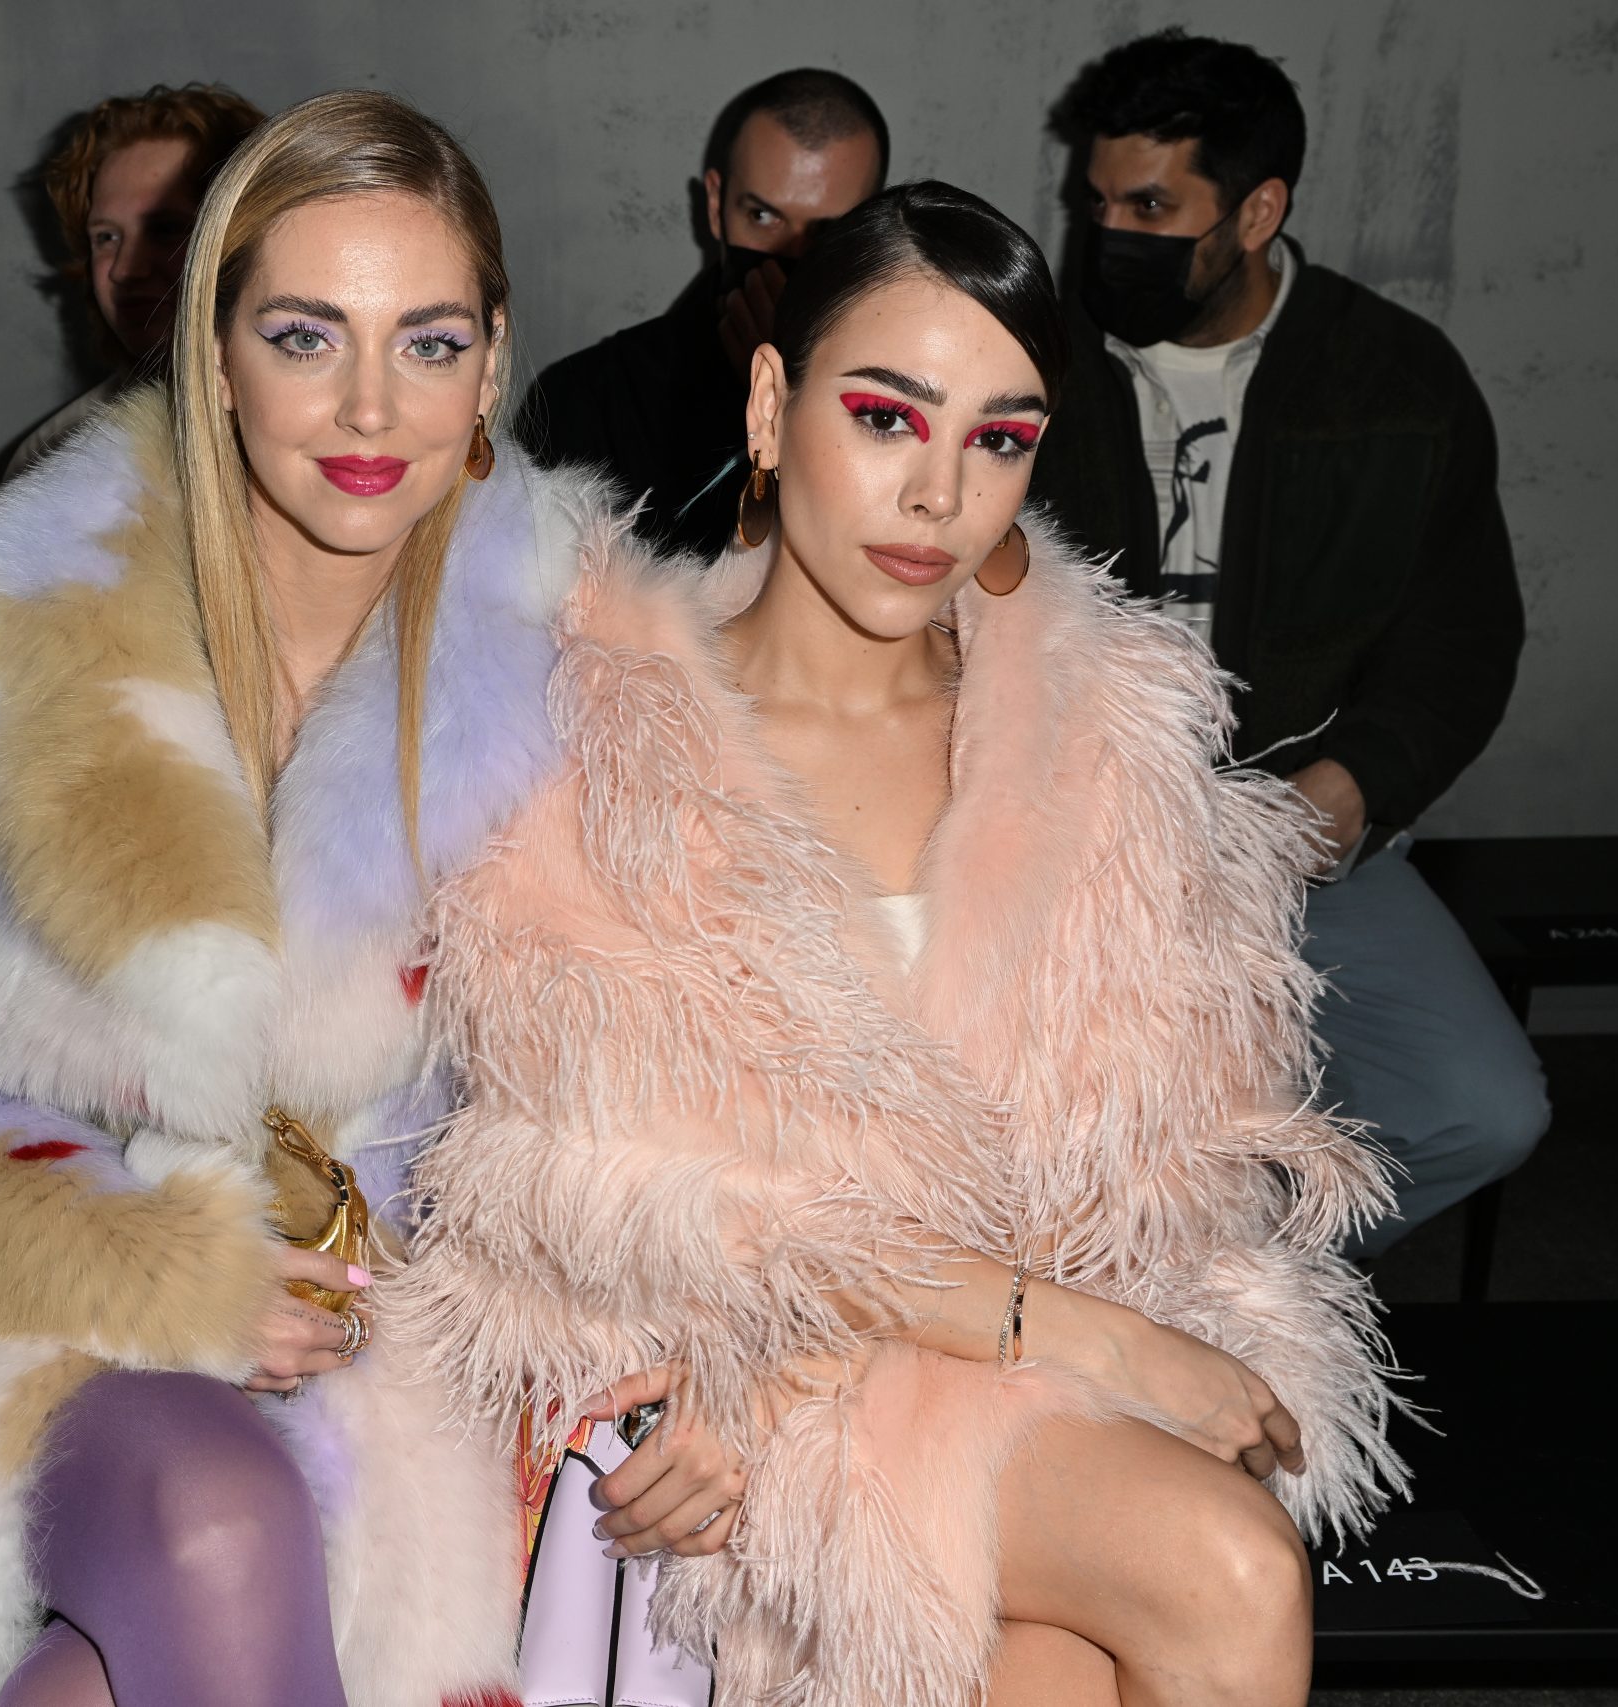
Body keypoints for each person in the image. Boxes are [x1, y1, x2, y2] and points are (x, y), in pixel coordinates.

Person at [392, 183, 1404, 1707]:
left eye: (1000, 437)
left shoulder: (1101, 741)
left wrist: (1063, 1325)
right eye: (886, 417)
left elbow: (1167, 1166)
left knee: (1061, 1671)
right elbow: (581, 1186)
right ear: (771, 404)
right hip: (750, 1399)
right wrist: (1017, 1346)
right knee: (1230, 1566)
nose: (940, 493)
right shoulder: (595, 741)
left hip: (1001, 1357)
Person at [0, 90, 635, 1707]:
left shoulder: (587, 652)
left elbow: (695, 1068)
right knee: (224, 1519)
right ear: (214, 353)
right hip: (44, 1320)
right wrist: (171, 1274)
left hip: (437, 1348)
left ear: (492, 360)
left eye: (429, 343)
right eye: (305, 336)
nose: (370, 404)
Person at [1032, 31, 1545, 1255]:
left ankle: (1222, 1284)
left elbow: (1462, 632)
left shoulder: (1394, 378)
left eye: (1152, 207)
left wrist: (1355, 785)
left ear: (1257, 211)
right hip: (1062, 836)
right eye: (1097, 203)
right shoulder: (1028, 357)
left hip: (1297, 837)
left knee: (1480, 1110)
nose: (1110, 233)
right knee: (1049, 1133)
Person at [521, 68, 886, 559]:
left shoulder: (907, 399)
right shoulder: (590, 398)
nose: (790, 256)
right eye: (762, 216)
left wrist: (797, 398)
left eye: (826, 233)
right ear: (715, 205)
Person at [4, 82, 265, 478]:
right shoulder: (51, 461)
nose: (125, 270)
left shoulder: (324, 422)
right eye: (107, 237)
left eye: (165, 229)